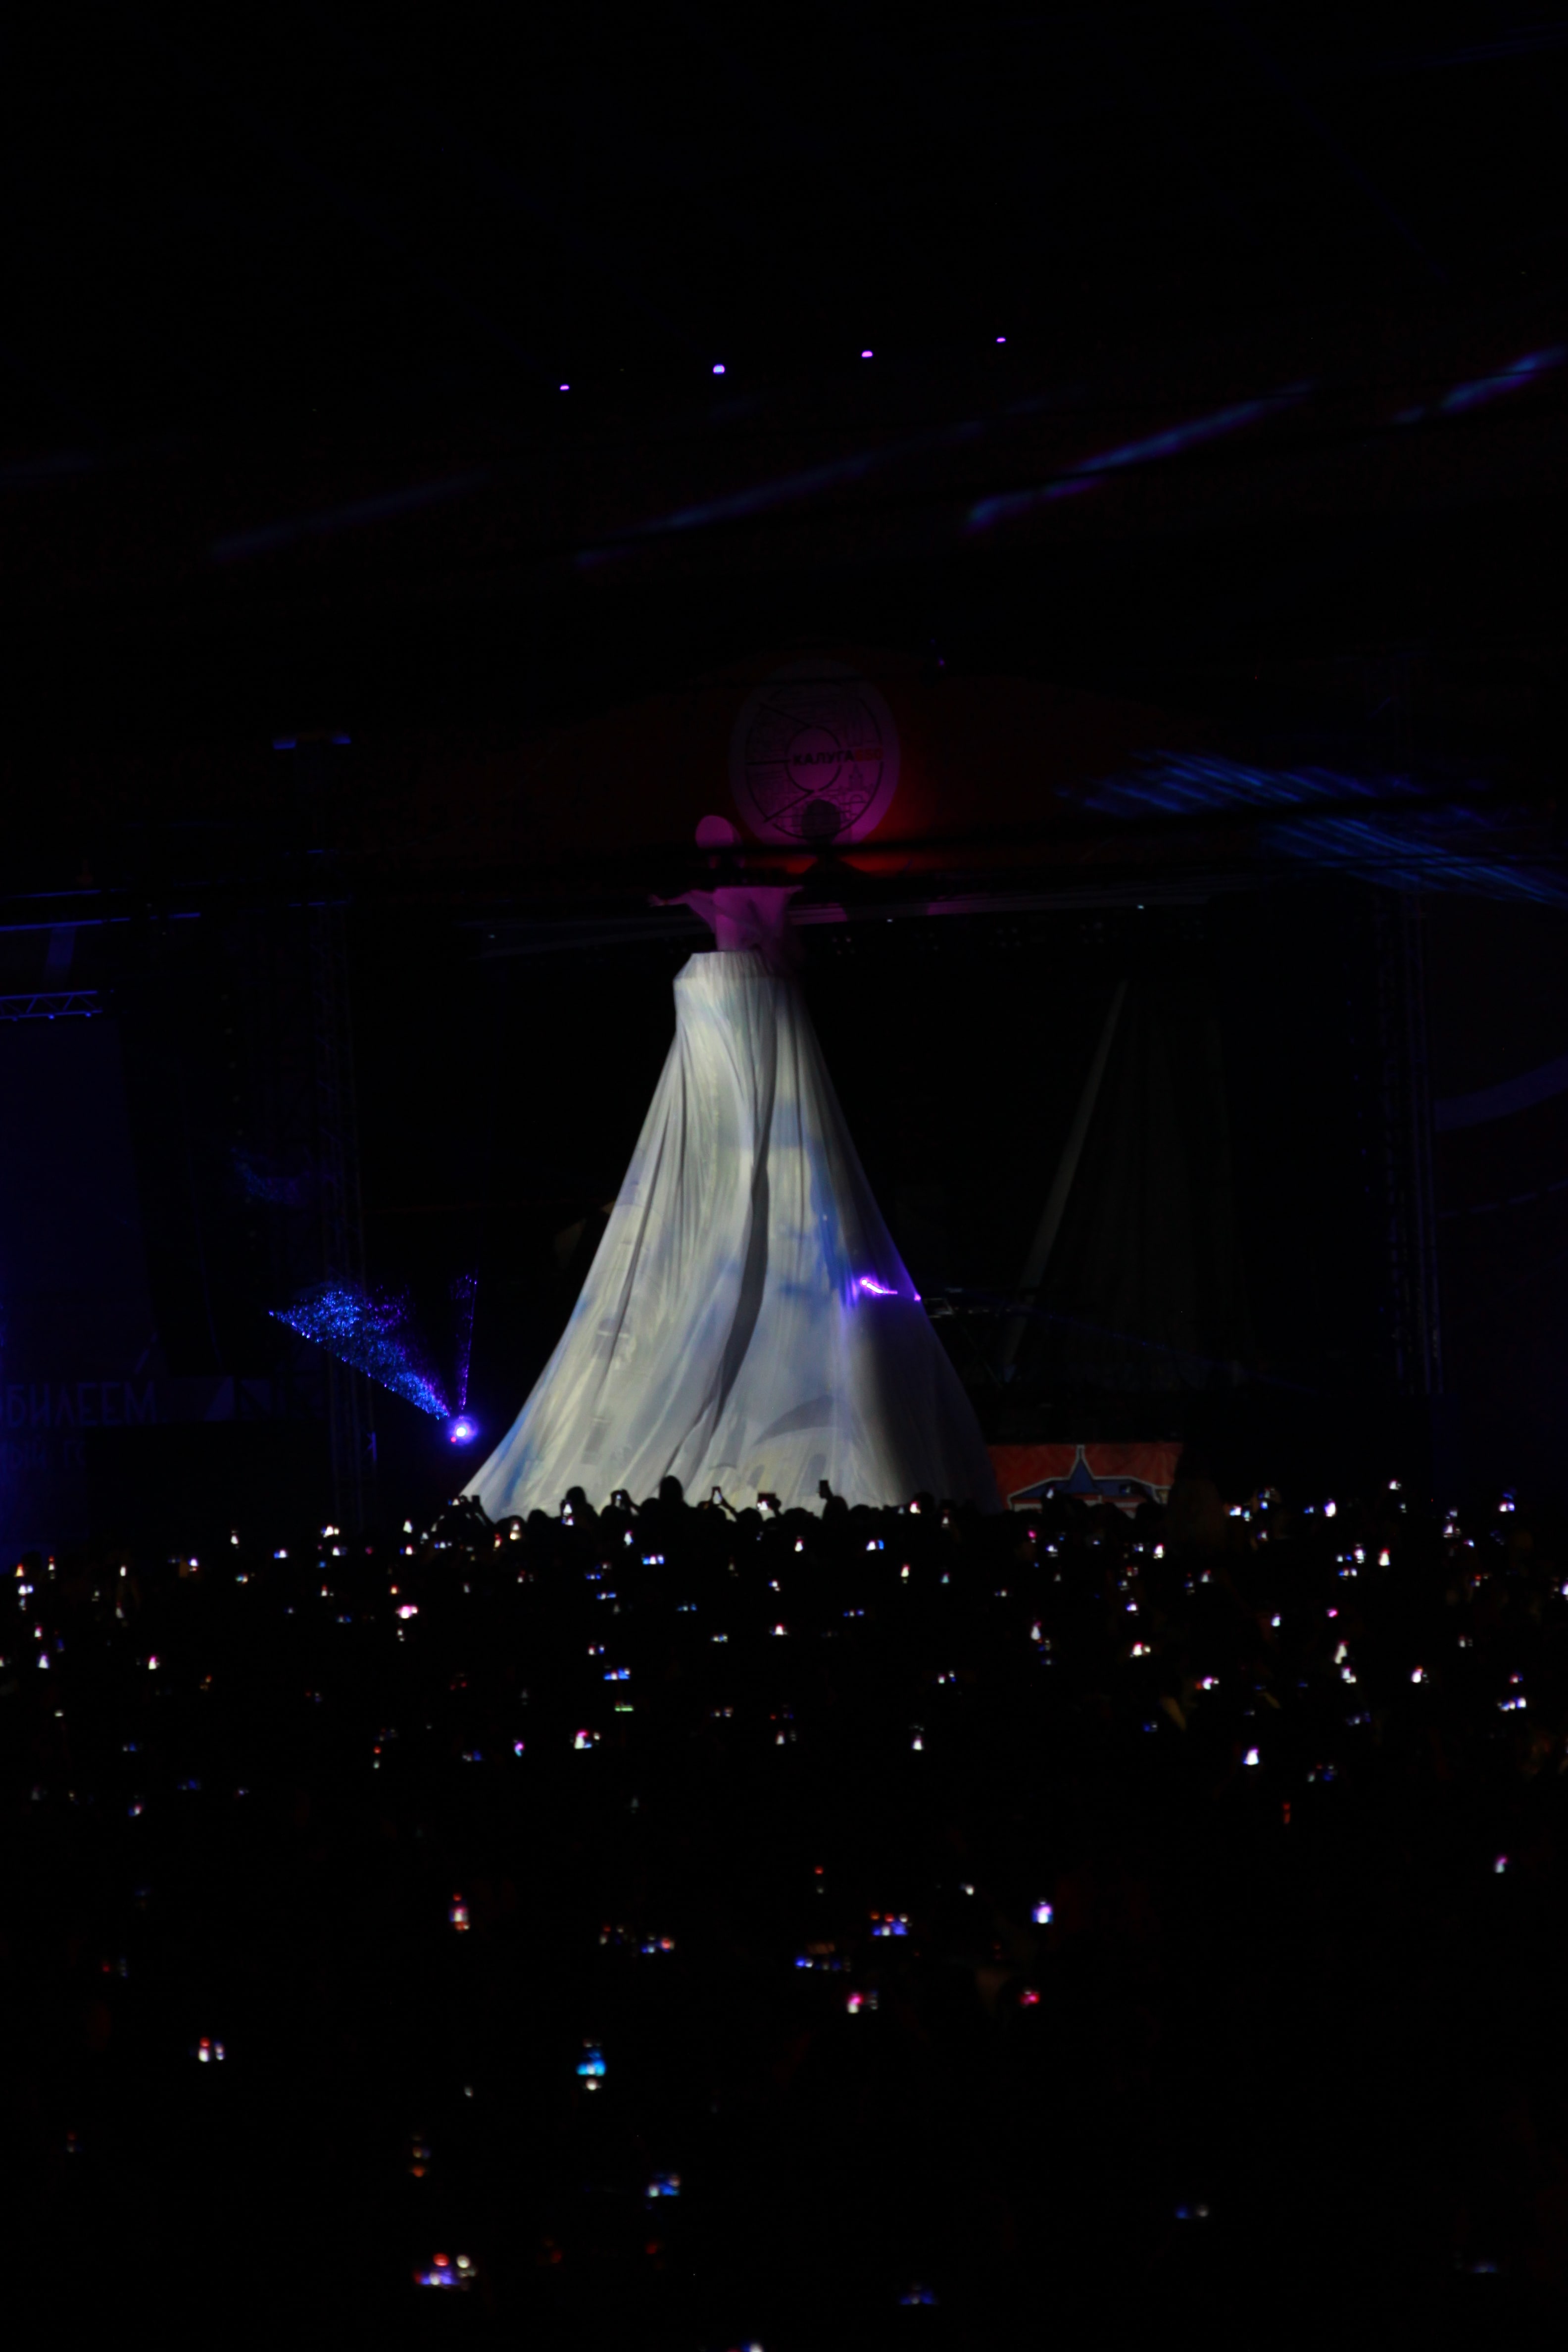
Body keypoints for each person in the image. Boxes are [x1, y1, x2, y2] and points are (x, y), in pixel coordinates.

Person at [465, 858, 997, 1517]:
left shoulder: (741, 947)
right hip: (732, 1023)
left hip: (742, 1024)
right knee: (740, 1127)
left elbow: (756, 935)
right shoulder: (734, 957)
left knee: (751, 1135)